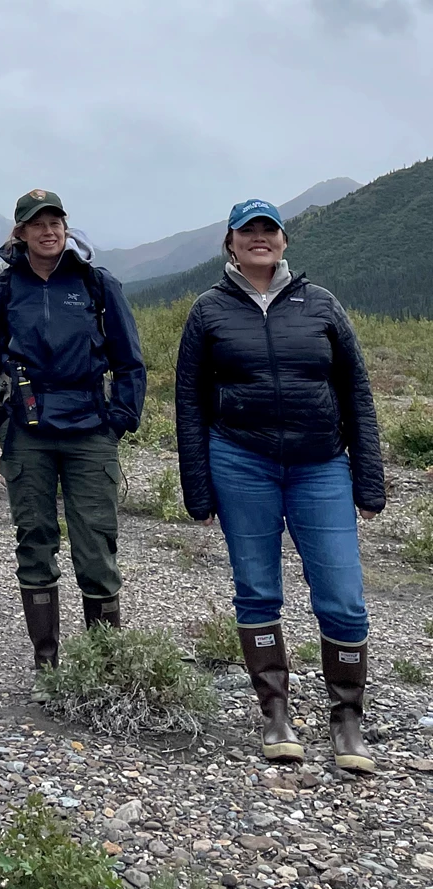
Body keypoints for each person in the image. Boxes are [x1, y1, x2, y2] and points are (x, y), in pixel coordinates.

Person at [175, 199, 384, 773]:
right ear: (231, 243)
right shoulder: (208, 310)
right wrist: (198, 489)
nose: (260, 239)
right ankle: (276, 714)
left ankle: (346, 720)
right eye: (249, 231)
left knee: (343, 596)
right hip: (241, 463)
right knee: (258, 590)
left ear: (284, 241)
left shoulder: (322, 305)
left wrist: (368, 480)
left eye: (270, 230)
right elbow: (189, 403)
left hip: (321, 467)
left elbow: (357, 392)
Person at [0, 189, 145, 696]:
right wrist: (1, 421)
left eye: (56, 221)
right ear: (19, 233)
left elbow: (130, 361)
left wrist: (118, 421)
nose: (48, 231)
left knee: (97, 547)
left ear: (66, 227)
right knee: (35, 543)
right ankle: (48, 667)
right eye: (36, 223)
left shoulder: (96, 284)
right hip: (28, 436)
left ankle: (104, 670)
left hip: (91, 434)